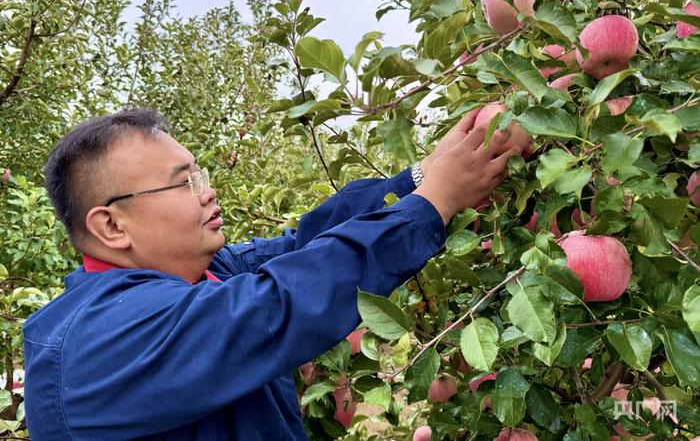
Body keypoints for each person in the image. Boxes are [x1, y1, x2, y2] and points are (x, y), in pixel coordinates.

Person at [23, 108, 520, 439]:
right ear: (111, 225)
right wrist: (435, 204)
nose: (207, 191)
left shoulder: (205, 276)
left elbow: (302, 249)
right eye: (183, 184)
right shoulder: (100, 342)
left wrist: (420, 178)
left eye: (202, 174)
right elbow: (280, 301)